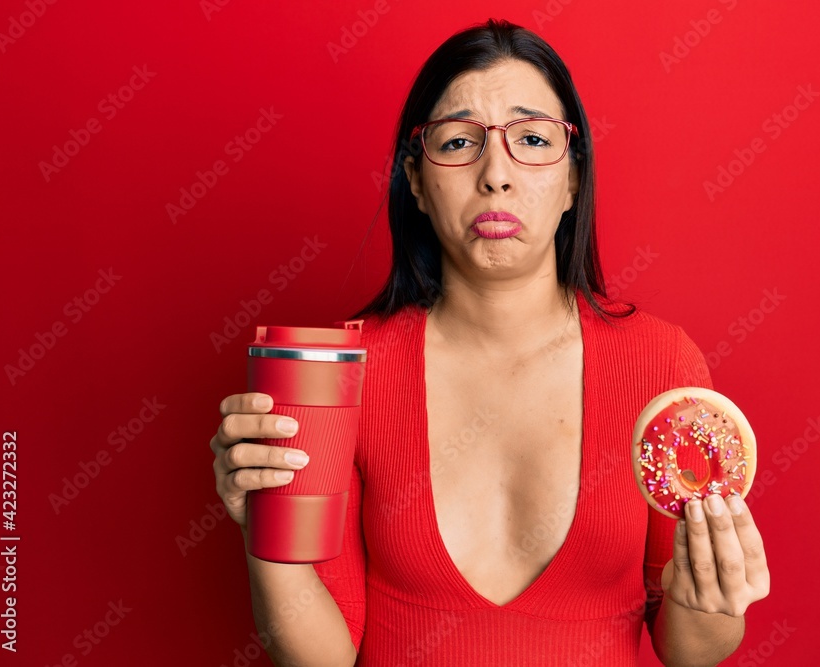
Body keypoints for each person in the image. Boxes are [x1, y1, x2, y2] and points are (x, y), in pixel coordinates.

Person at [210, 18, 769, 666]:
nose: (496, 174)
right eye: (458, 142)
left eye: (532, 138)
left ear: (573, 179)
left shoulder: (664, 366)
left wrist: (713, 594)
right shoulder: (343, 370)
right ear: (416, 181)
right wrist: (265, 528)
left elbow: (689, 651)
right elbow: (320, 658)